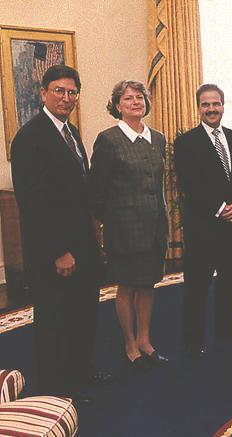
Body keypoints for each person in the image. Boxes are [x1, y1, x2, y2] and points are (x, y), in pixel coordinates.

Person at [10, 65, 111, 403]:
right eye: (59, 91)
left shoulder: (71, 132)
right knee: (55, 320)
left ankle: (79, 371)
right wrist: (58, 251)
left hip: (81, 244)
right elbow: (33, 202)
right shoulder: (29, 137)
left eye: (72, 92)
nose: (66, 98)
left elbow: (78, 192)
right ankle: (56, 388)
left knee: (82, 311)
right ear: (43, 93)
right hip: (53, 251)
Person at [88, 80, 169, 371]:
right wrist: (109, 223)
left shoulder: (157, 138)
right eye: (128, 98)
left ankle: (145, 341)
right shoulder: (108, 139)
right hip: (124, 226)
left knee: (147, 284)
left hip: (155, 224)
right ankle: (129, 343)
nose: (135, 102)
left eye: (140, 97)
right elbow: (96, 190)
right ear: (117, 105)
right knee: (127, 286)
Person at [174, 83, 232, 357]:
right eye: (206, 104)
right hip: (204, 228)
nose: (211, 109)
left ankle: (227, 329)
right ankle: (194, 342)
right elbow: (189, 183)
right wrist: (221, 209)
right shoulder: (186, 142)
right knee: (197, 287)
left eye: (216, 104)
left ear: (223, 105)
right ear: (199, 108)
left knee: (231, 281)